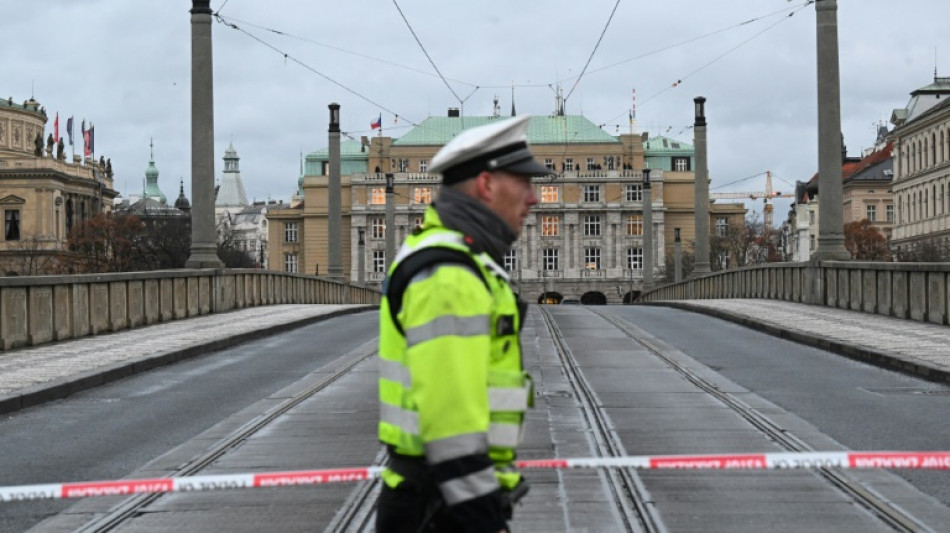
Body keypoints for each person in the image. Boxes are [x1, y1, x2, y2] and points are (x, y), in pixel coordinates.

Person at [376, 115, 545, 533]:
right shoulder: (450, 275)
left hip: (444, 499)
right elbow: (452, 428)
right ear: (486, 185)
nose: (535, 198)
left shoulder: (465, 262)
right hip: (441, 507)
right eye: (523, 182)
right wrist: (484, 522)